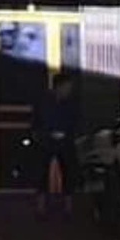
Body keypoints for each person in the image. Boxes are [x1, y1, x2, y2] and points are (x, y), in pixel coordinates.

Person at [32, 71, 82, 218]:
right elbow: (37, 120)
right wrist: (42, 134)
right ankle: (41, 208)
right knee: (41, 173)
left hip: (65, 141)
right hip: (46, 141)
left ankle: (68, 207)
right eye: (66, 87)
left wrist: (70, 134)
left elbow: (75, 121)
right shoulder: (44, 101)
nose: (69, 90)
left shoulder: (71, 103)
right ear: (58, 87)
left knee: (69, 172)